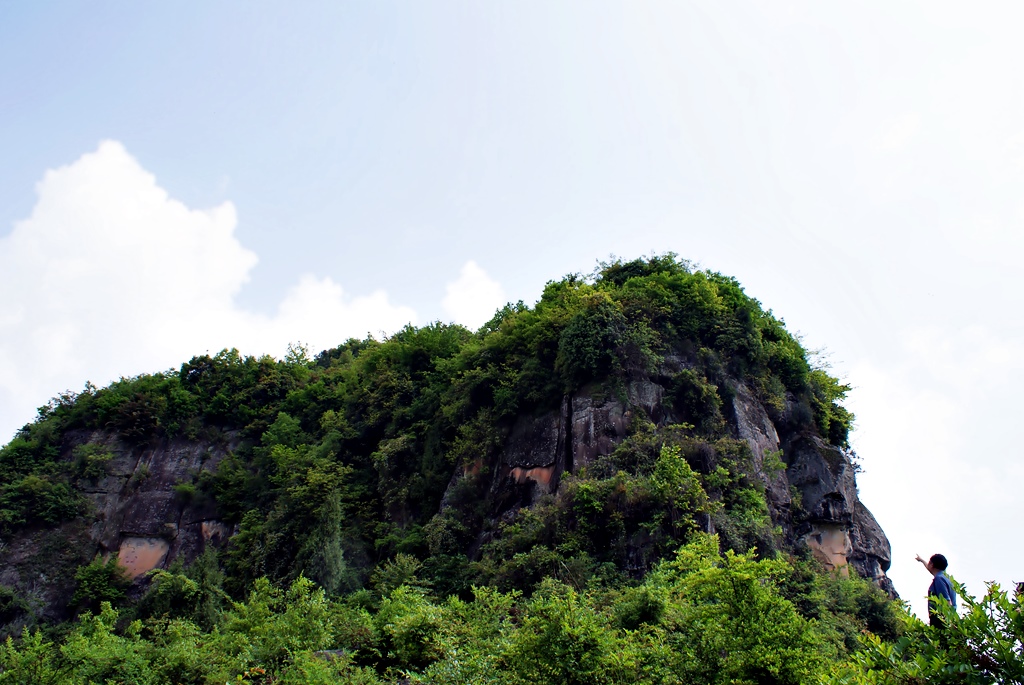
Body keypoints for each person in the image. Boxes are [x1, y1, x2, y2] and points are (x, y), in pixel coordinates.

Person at [916, 553, 956, 626]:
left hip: (941, 621)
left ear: (932, 564)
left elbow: (946, 601)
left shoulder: (939, 579)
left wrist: (951, 623)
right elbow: (930, 569)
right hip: (944, 619)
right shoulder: (946, 578)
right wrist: (921, 560)